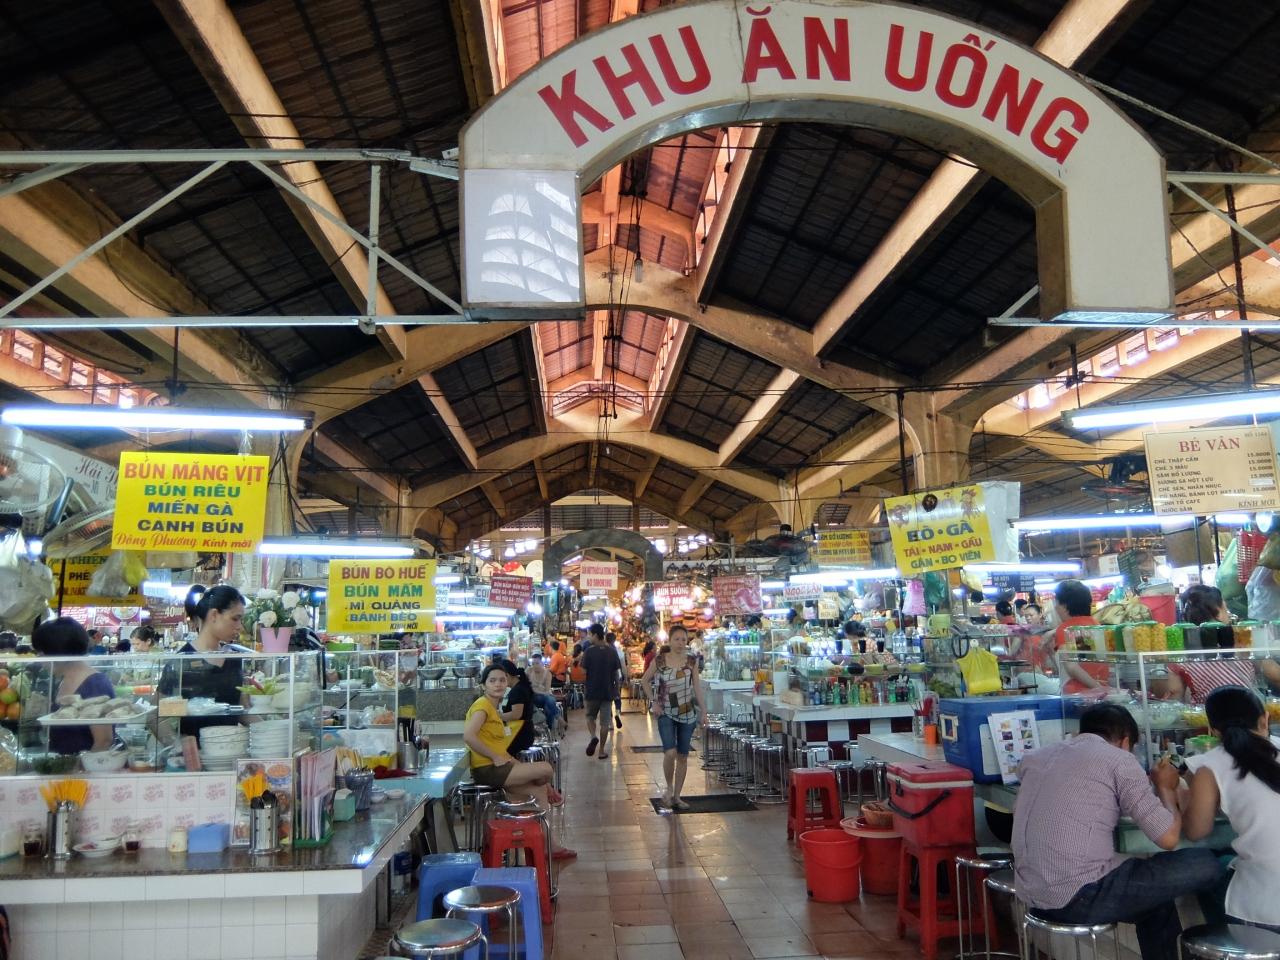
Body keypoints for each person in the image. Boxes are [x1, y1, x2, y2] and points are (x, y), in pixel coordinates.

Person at [1012, 703, 1224, 960]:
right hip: (1079, 895)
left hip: (1031, 892)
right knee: (1206, 862)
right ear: (1125, 741)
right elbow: (1168, 837)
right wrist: (1165, 788)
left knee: (1156, 900)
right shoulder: (1118, 759)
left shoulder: (1037, 757)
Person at [1182, 685, 1280, 930]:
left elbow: (1195, 831)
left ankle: (1231, 941)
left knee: (1207, 869)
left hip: (1266, 910)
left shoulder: (1211, 766)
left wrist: (1170, 790)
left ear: (1214, 730)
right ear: (1264, 720)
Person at [463, 664, 575, 858]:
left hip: (499, 768)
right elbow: (469, 736)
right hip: (488, 770)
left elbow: (504, 754)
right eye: (492, 680)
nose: (498, 684)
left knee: (540, 791)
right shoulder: (482, 706)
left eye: (502, 680)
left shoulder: (492, 708)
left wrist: (545, 785)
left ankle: (550, 846)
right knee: (546, 768)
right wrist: (494, 757)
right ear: (483, 686)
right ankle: (526, 804)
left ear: (507, 682)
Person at [159, 585, 246, 737]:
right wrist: (178, 743)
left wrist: (273, 728)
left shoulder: (234, 659)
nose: (239, 626)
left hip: (231, 747)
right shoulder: (182, 661)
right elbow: (159, 717)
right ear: (214, 615)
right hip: (196, 750)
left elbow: (242, 710)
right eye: (235, 618)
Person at [1168, 586, 1280, 702]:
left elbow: (1175, 693)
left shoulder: (1180, 647)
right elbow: (1275, 676)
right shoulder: (1242, 638)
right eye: (1226, 610)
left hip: (1207, 712)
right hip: (1247, 708)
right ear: (1218, 613)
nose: (1229, 615)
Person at [641, 625, 706, 810]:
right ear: (669, 641)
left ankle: (677, 796)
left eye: (683, 639)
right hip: (665, 712)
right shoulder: (660, 660)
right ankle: (669, 788)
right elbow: (645, 680)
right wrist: (653, 701)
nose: (680, 643)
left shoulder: (692, 661)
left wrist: (703, 711)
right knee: (670, 752)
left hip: (687, 713)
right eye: (676, 639)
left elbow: (697, 687)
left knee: (683, 756)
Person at [32, 617, 114, 755]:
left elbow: (104, 741)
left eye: (41, 653)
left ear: (57, 652)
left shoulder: (94, 684)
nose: (39, 659)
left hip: (84, 766)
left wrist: (81, 765)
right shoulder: (62, 679)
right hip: (63, 762)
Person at [1045, 579, 1109, 693]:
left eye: (1057, 603)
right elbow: (1085, 659)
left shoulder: (1065, 629)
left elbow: (1072, 667)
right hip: (1098, 689)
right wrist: (1101, 689)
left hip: (1077, 693)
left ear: (1064, 606)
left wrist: (1098, 689)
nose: (1055, 608)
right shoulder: (1095, 624)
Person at [581, 623, 621, 759]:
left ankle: (593, 736)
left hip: (592, 691)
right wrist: (616, 690)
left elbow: (583, 671)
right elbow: (616, 673)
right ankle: (602, 751)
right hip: (607, 692)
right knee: (605, 723)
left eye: (590, 634)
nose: (589, 637)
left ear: (595, 635)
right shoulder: (612, 651)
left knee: (590, 717)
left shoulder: (589, 651)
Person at [525, 653, 563, 737]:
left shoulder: (547, 673)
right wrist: (536, 690)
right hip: (533, 698)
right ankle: (557, 718)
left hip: (543, 697)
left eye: (537, 663)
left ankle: (549, 728)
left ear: (542, 663)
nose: (535, 666)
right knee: (550, 699)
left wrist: (534, 689)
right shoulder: (529, 671)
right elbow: (525, 686)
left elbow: (547, 690)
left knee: (548, 706)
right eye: (533, 663)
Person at [608, 630, 625, 729]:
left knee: (609, 700)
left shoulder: (605, 651)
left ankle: (610, 723)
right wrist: (626, 676)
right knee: (617, 696)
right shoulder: (619, 651)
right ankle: (617, 713)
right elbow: (623, 666)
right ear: (615, 640)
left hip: (607, 677)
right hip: (617, 676)